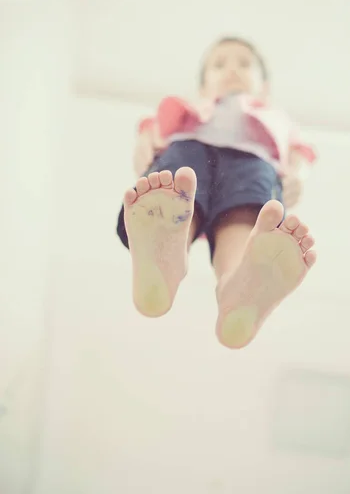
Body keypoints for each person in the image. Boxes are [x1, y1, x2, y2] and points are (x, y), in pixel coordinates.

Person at [116, 37, 317, 349]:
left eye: (244, 63)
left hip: (253, 161)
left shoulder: (278, 117)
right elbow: (150, 129)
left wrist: (299, 175)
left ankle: (237, 286)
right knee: (177, 190)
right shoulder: (190, 110)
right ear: (202, 88)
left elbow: (301, 151)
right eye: (219, 65)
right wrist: (144, 144)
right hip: (190, 147)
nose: (231, 69)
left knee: (246, 218)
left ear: (263, 88)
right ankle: (167, 256)